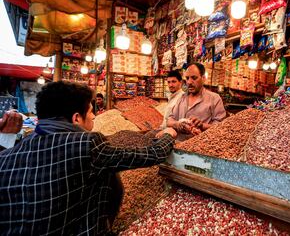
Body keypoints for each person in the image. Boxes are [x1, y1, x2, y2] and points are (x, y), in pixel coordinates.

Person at [0, 81, 177, 235]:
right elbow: (149, 155)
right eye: (91, 111)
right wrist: (168, 135)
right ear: (76, 118)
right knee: (108, 171)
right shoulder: (86, 143)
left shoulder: (9, 154)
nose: (94, 116)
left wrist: (5, 137)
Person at [167, 62, 226, 140]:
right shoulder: (182, 98)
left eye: (194, 78)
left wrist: (202, 125)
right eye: (187, 78)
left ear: (203, 78)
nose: (189, 82)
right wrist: (178, 124)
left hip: (200, 148)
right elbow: (170, 120)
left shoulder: (214, 98)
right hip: (179, 146)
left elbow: (222, 127)